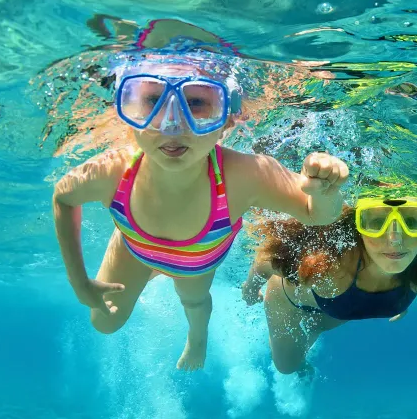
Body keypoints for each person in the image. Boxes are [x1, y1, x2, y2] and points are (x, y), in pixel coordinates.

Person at [51, 51, 349, 371]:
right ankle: (150, 265)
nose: (172, 124)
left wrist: (326, 192)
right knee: (103, 322)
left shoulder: (243, 176)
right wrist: (79, 281)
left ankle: (198, 339)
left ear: (227, 120)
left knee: (193, 301)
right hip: (135, 246)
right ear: (129, 110)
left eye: (195, 104)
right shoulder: (111, 173)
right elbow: (63, 198)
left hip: (196, 259)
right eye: (153, 100)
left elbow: (318, 215)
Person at [241, 179, 417, 375]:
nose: (395, 239)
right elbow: (267, 261)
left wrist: (404, 299)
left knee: (316, 326)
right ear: (358, 226)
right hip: (291, 303)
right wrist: (250, 289)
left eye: (412, 222)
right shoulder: (328, 264)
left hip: (339, 308)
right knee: (287, 367)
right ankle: (302, 369)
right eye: (375, 222)